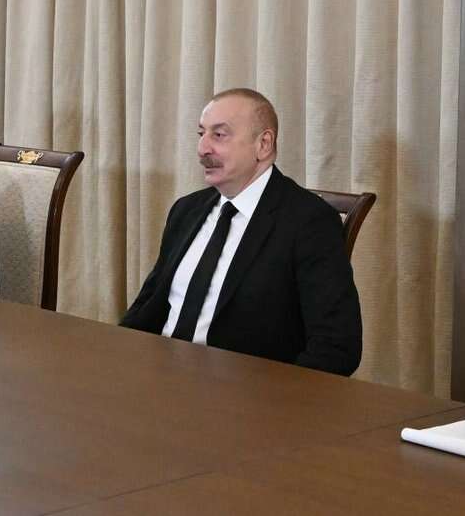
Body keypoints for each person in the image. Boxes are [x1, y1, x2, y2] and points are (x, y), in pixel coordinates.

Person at [120, 88, 362, 376]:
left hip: (246, 391)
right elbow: (147, 306)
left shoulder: (309, 221)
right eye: (201, 134)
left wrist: (279, 399)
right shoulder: (187, 210)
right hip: (160, 377)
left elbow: (336, 347)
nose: (203, 148)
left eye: (219, 135)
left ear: (264, 144)